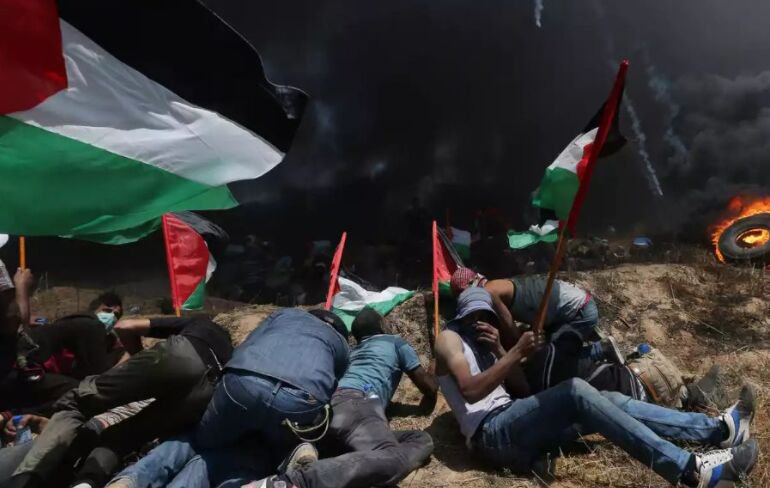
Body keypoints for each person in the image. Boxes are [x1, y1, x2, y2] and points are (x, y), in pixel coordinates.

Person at [435, 288, 759, 487]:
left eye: (486, 316)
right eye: (473, 317)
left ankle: (719, 430)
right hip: (493, 436)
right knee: (575, 389)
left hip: (515, 423)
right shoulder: (449, 340)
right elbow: (471, 391)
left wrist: (499, 351)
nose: (480, 323)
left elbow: (521, 391)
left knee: (607, 399)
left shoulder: (488, 346)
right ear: (460, 318)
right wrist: (515, 353)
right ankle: (692, 471)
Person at [6, 314, 233, 488]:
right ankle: (85, 484)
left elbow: (125, 326)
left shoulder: (200, 321)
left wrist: (140, 360)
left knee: (76, 403)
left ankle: (25, 481)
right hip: (208, 389)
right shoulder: (232, 354)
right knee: (123, 439)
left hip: (180, 356)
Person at [254, 307, 438, 488]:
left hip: (326, 410)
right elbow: (428, 389)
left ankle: (314, 455)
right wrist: (434, 369)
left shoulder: (351, 352)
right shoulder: (394, 342)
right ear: (382, 326)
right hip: (358, 402)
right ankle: (299, 480)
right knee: (401, 451)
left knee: (403, 442)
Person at [194, 308, 350, 469]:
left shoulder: (286, 314)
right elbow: (333, 386)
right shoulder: (342, 344)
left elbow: (249, 341)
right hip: (299, 401)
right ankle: (288, 456)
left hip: (245, 381)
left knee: (204, 442)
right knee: (272, 455)